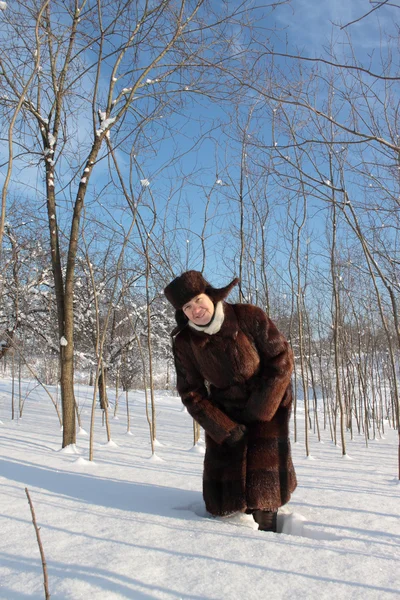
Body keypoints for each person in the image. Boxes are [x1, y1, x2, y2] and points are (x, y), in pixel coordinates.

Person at [164, 270, 297, 532]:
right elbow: (190, 391)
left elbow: (281, 358)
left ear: (210, 296)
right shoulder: (184, 342)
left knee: (264, 475)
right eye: (187, 307)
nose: (196, 310)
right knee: (226, 495)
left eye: (198, 300)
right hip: (224, 408)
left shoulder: (248, 316)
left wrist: (262, 408)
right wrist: (222, 426)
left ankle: (268, 522)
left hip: (267, 398)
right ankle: (230, 534)